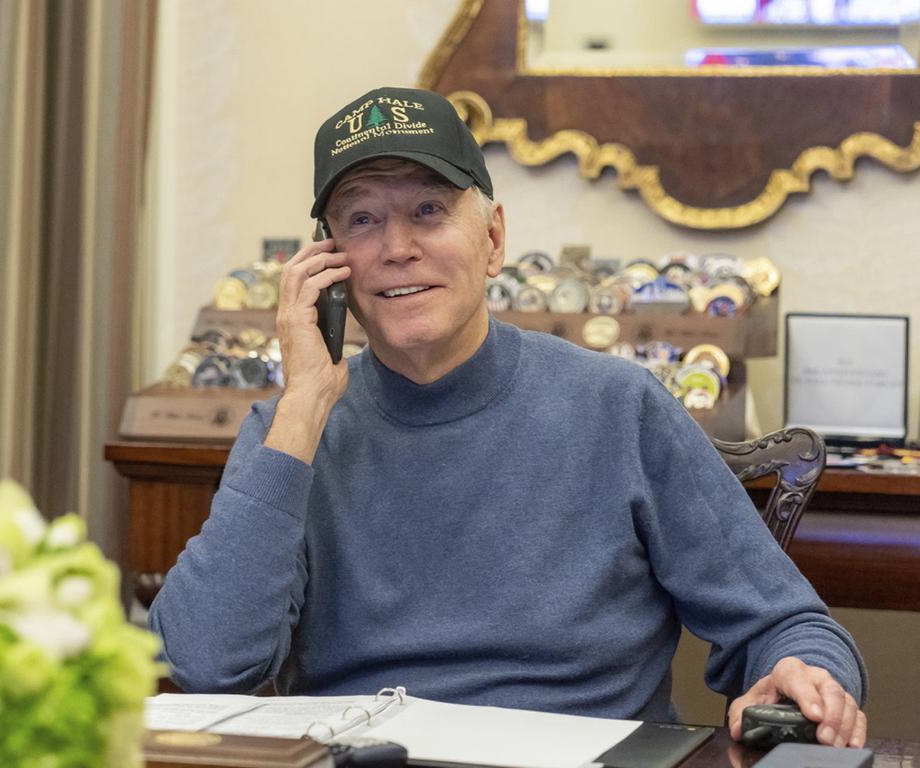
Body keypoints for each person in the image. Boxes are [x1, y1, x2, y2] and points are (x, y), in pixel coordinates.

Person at [149, 86, 868, 748]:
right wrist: (304, 407)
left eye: (428, 210)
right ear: (329, 265)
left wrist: (805, 674)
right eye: (361, 220)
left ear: (493, 238)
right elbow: (207, 665)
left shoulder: (619, 407)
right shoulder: (288, 434)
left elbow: (784, 623)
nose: (397, 248)